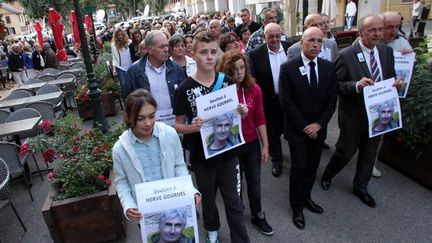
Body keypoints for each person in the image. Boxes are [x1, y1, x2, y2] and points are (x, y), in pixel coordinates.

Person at [173, 31, 250, 243]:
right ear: (193, 55)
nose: (209, 57)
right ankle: (212, 229)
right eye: (204, 52)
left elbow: (234, 113)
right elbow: (178, 125)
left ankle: (241, 239)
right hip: (201, 157)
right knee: (208, 199)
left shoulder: (227, 81)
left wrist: (241, 111)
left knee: (234, 201)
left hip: (229, 153)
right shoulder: (185, 88)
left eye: (213, 52)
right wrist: (193, 127)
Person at [320, 15, 403, 208]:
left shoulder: (386, 52)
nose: (378, 34)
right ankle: (328, 174)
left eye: (380, 29)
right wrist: (356, 85)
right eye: (372, 30)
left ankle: (361, 186)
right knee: (346, 150)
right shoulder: (346, 55)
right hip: (353, 114)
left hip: (379, 113)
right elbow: (335, 86)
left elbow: (389, 77)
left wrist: (396, 84)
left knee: (369, 152)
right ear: (360, 33)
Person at [279, 27, 338, 230]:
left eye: (319, 41)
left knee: (312, 167)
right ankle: (296, 207)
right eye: (311, 40)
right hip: (297, 130)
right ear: (302, 43)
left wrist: (319, 124)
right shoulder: (288, 68)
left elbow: (332, 100)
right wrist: (305, 126)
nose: (315, 44)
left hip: (318, 129)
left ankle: (306, 197)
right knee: (299, 167)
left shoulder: (328, 68)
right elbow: (286, 101)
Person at [113, 89, 200, 224]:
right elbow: (122, 181)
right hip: (146, 213)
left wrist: (189, 190)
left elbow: (179, 166)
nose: (148, 123)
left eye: (152, 116)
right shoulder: (120, 149)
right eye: (140, 118)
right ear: (128, 117)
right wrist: (129, 206)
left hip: (176, 205)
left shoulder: (169, 134)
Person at [217, 50, 273, 236]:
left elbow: (260, 118)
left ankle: (258, 214)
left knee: (254, 182)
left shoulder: (254, 89)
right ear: (226, 70)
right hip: (231, 145)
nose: (239, 72)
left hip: (251, 144)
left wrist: (265, 145)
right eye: (234, 69)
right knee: (236, 185)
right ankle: (238, 214)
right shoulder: (220, 92)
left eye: (242, 68)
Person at [248, 23, 291, 177]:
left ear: (281, 35)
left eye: (277, 36)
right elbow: (253, 80)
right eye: (270, 36)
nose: (274, 39)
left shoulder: (290, 48)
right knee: (273, 133)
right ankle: (277, 161)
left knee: (291, 130)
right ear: (264, 37)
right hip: (269, 100)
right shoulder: (255, 54)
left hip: (290, 99)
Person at [124, 30, 187, 124]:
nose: (166, 50)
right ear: (149, 50)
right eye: (161, 47)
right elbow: (128, 99)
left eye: (166, 46)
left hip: (175, 124)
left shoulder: (176, 69)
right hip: (148, 125)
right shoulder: (135, 71)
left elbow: (185, 96)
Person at [111, 28, 132, 92]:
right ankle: (126, 100)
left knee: (132, 84)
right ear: (116, 36)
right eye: (118, 35)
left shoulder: (129, 42)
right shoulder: (113, 45)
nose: (120, 36)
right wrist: (114, 69)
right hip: (120, 68)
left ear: (124, 35)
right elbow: (114, 58)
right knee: (124, 85)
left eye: (121, 34)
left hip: (130, 66)